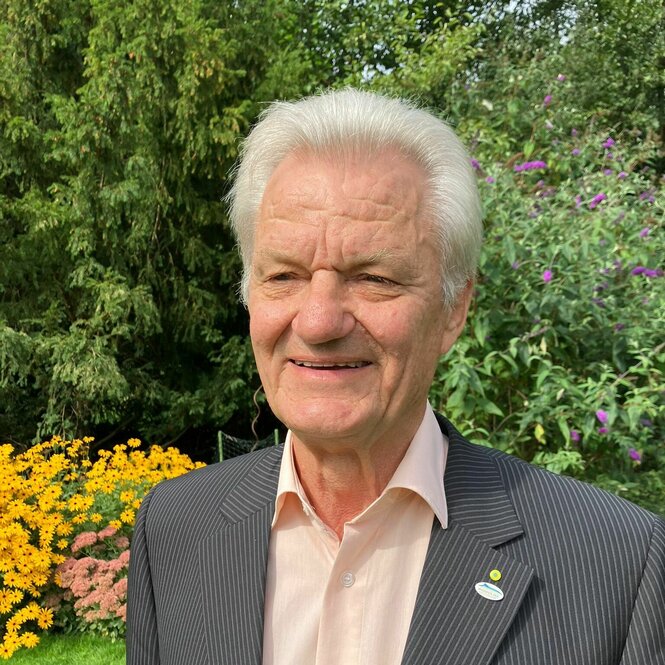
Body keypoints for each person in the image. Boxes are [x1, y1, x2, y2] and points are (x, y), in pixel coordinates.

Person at [126, 89, 665, 665]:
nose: (319, 321)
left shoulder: (619, 564)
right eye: (284, 275)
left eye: (375, 278)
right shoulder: (175, 528)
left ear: (454, 308)